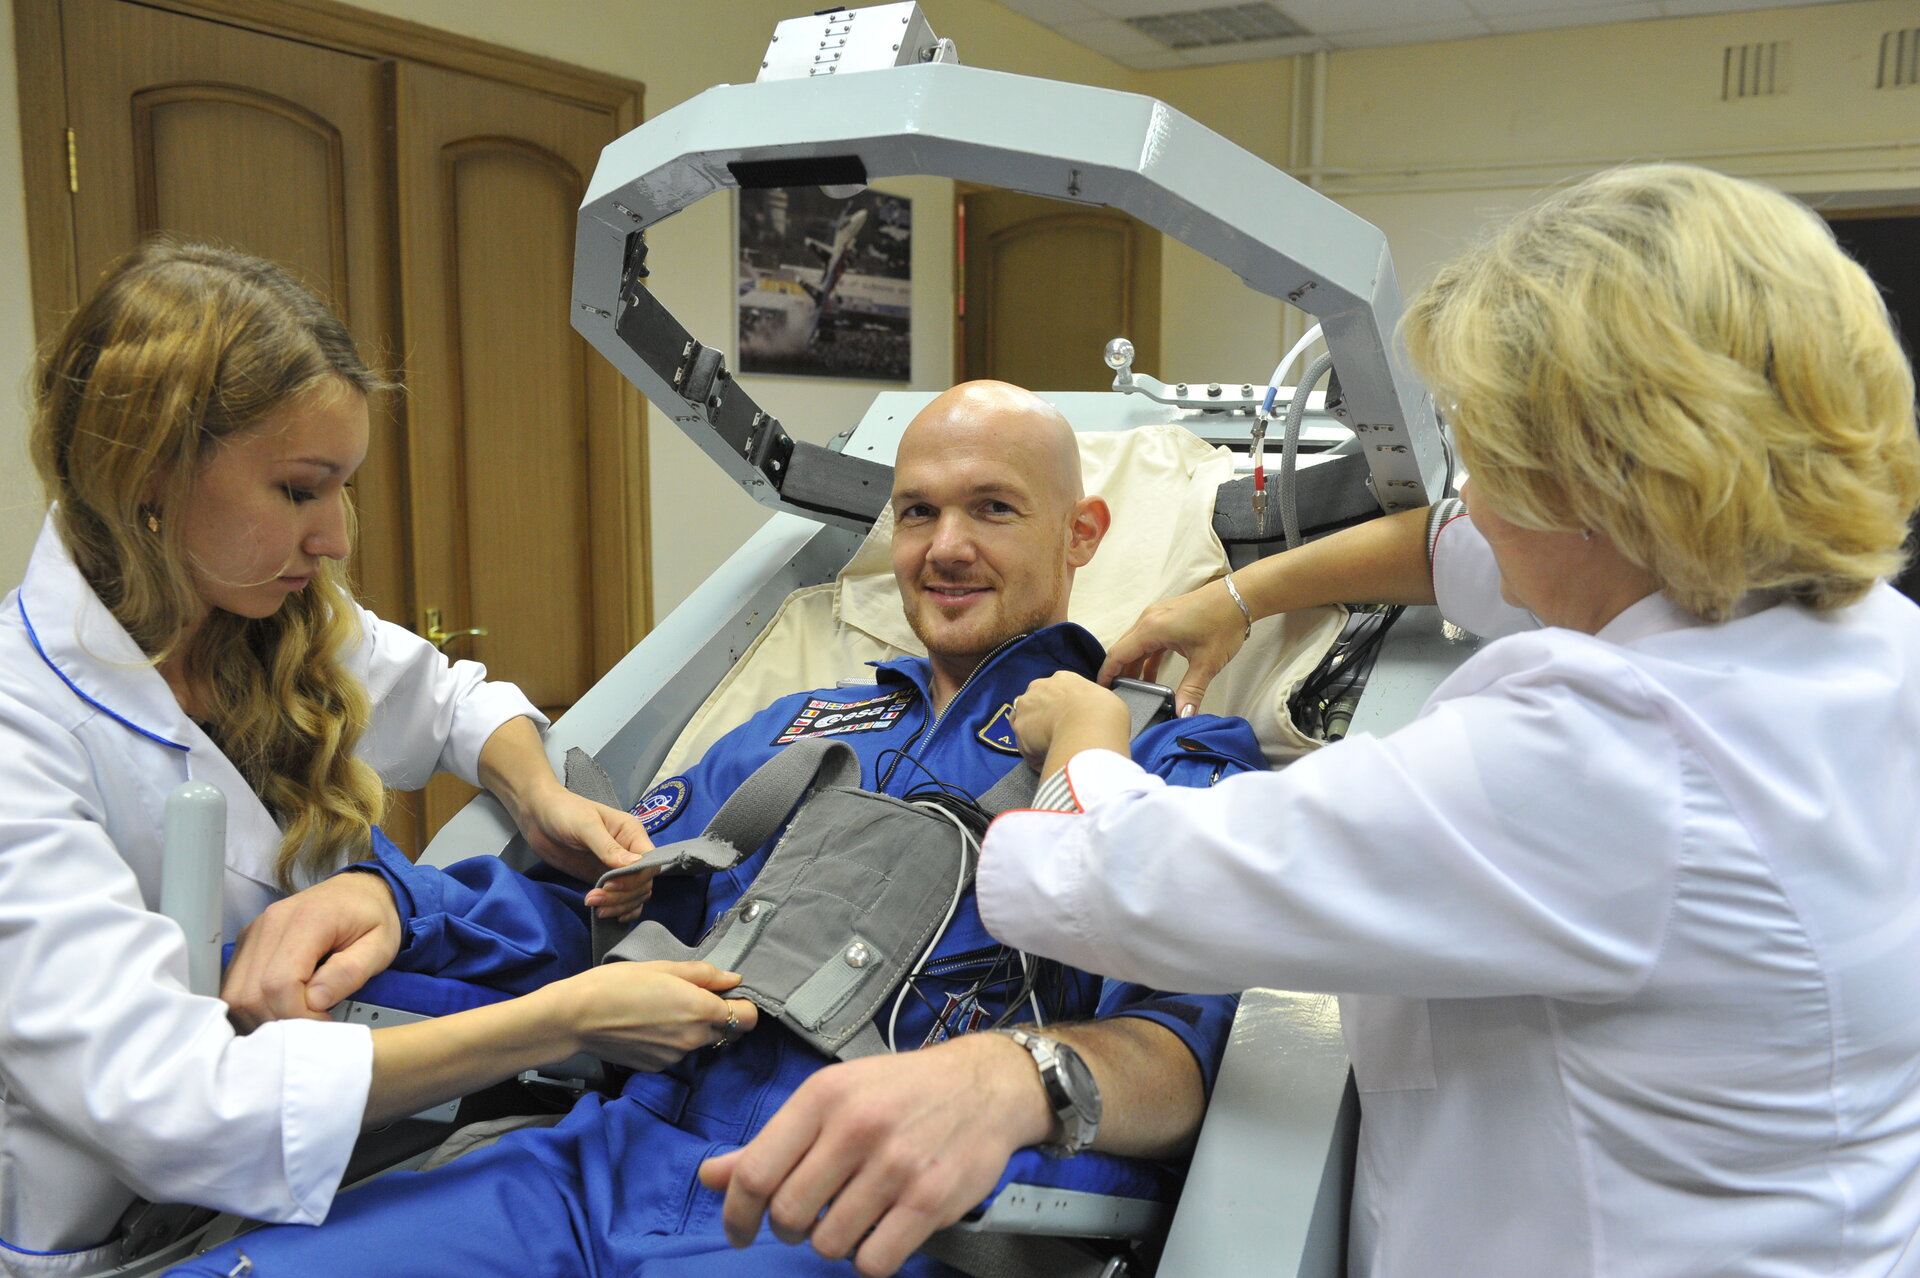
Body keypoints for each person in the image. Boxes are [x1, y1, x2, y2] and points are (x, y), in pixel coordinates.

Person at [981, 163, 1920, 1276]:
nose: (1464, 489)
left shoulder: (1613, 753)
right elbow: (1443, 548)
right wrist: (1229, 596)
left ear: (1597, 481)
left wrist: (1088, 735)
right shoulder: (1852, 629)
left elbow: (1114, 879)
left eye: (1482, 450)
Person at [169, 380, 1268, 1278]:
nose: (944, 547)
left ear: (1083, 533)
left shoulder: (1156, 761)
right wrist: (392, 902)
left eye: (993, 508)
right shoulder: (801, 730)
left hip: (852, 1212)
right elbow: (587, 908)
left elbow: (1177, 1061)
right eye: (920, 511)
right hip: (607, 1162)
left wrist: (1007, 1085)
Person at [0, 240, 749, 1273]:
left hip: (351, 1145)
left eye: (343, 488)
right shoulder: (20, 729)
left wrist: (538, 795)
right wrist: (557, 1021)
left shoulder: (259, 608)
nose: (337, 537)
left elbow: (449, 702)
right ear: (150, 469)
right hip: (124, 1217)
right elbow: (171, 1103)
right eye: (302, 490)